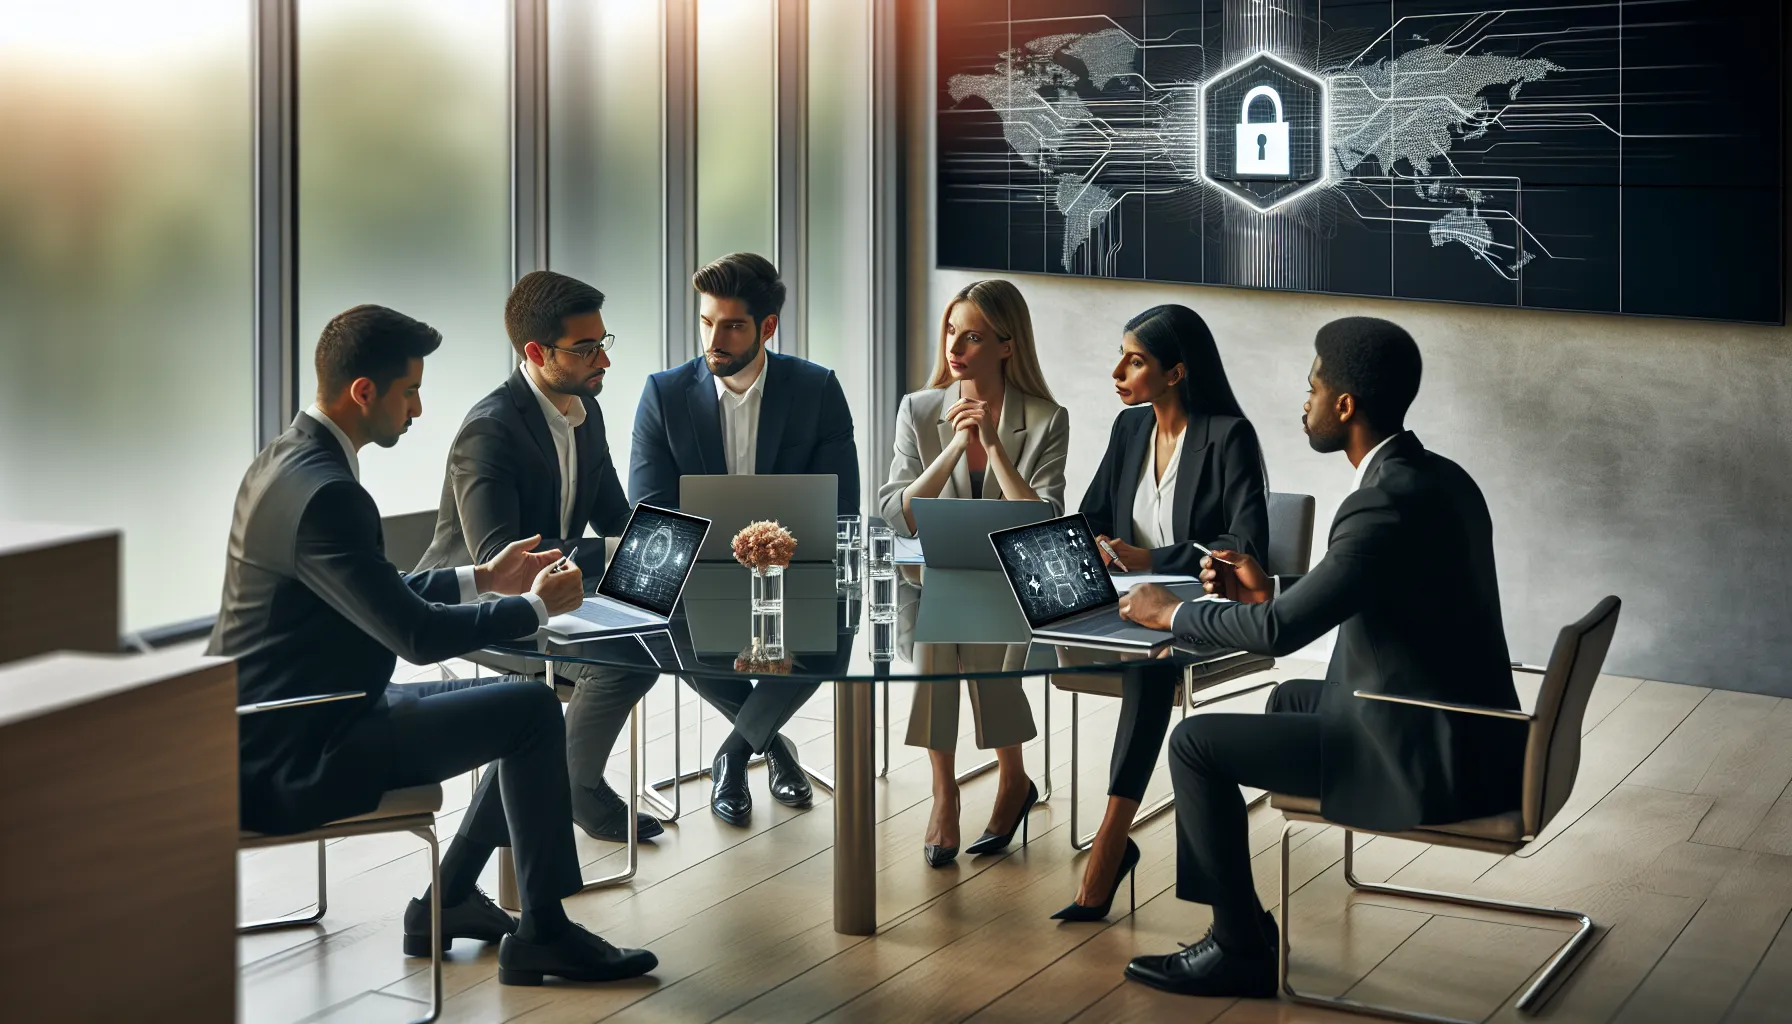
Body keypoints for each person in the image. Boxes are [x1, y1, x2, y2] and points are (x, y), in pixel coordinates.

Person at [211, 304, 657, 985]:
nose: (419, 409)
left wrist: (483, 578)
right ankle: (542, 932)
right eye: (410, 391)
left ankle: (447, 900)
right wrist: (537, 605)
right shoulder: (329, 493)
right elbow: (415, 636)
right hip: (303, 748)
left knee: (517, 704)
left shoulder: (285, 461)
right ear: (364, 392)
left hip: (288, 716)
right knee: (531, 711)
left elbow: (372, 590)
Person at [1114, 317, 1524, 998]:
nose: (1303, 402)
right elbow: (1356, 591)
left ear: (1345, 405)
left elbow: (1281, 634)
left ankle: (1238, 949)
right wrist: (1268, 589)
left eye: (1313, 388)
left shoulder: (1381, 504)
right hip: (1464, 726)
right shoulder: (1437, 478)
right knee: (1288, 700)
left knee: (1194, 744)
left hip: (1423, 753)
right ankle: (1242, 920)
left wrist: (1172, 613)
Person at [414, 270, 662, 844]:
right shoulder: (490, 430)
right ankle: (575, 786)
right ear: (535, 352)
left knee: (662, 631)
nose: (604, 360)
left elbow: (613, 516)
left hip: (556, 596)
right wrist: (615, 554)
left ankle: (573, 780)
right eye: (585, 349)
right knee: (625, 659)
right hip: (480, 609)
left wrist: (664, 543)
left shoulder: (584, 410)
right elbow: (500, 558)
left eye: (603, 343)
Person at [628, 252, 859, 826]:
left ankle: (732, 755)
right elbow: (650, 509)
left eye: (732, 326)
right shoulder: (663, 394)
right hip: (698, 571)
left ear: (767, 327)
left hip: (796, 567)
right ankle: (773, 746)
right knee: (659, 626)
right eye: (707, 322)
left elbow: (840, 506)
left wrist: (778, 567)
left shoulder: (816, 389)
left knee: (838, 622)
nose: (714, 339)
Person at [1054, 303, 1268, 922]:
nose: (1117, 371)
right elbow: (1093, 515)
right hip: (1127, 604)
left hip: (1200, 610)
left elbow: (1244, 543)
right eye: (1120, 356)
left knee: (1150, 663)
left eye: (1135, 361)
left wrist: (1153, 557)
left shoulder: (1228, 436)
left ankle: (1110, 841)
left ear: (1175, 372)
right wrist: (1098, 545)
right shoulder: (1129, 430)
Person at [875, 278, 1066, 867]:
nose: (955, 348)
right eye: (951, 332)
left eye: (974, 337)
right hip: (937, 577)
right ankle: (948, 791)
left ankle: (1007, 782)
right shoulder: (920, 409)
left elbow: (1044, 520)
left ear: (1007, 345)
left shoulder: (1045, 418)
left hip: (1012, 581)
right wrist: (954, 448)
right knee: (945, 608)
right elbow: (896, 513)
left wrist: (994, 446)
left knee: (960, 617)